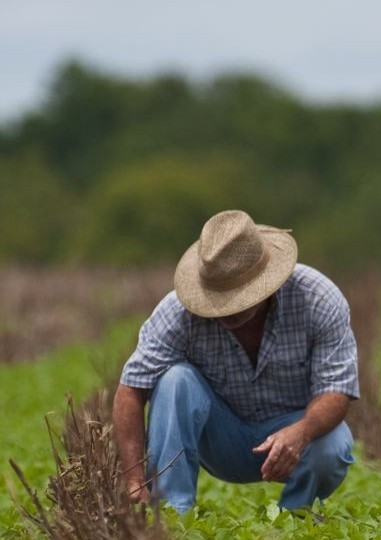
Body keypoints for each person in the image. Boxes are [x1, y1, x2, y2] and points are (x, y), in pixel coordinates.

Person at [114, 209, 359, 513]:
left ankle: (296, 516)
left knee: (333, 444)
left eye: (237, 295)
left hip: (293, 431)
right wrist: (134, 480)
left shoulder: (318, 299)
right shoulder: (177, 313)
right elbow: (130, 390)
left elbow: (337, 389)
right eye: (219, 297)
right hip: (220, 439)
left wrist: (301, 432)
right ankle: (171, 513)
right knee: (175, 380)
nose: (227, 309)